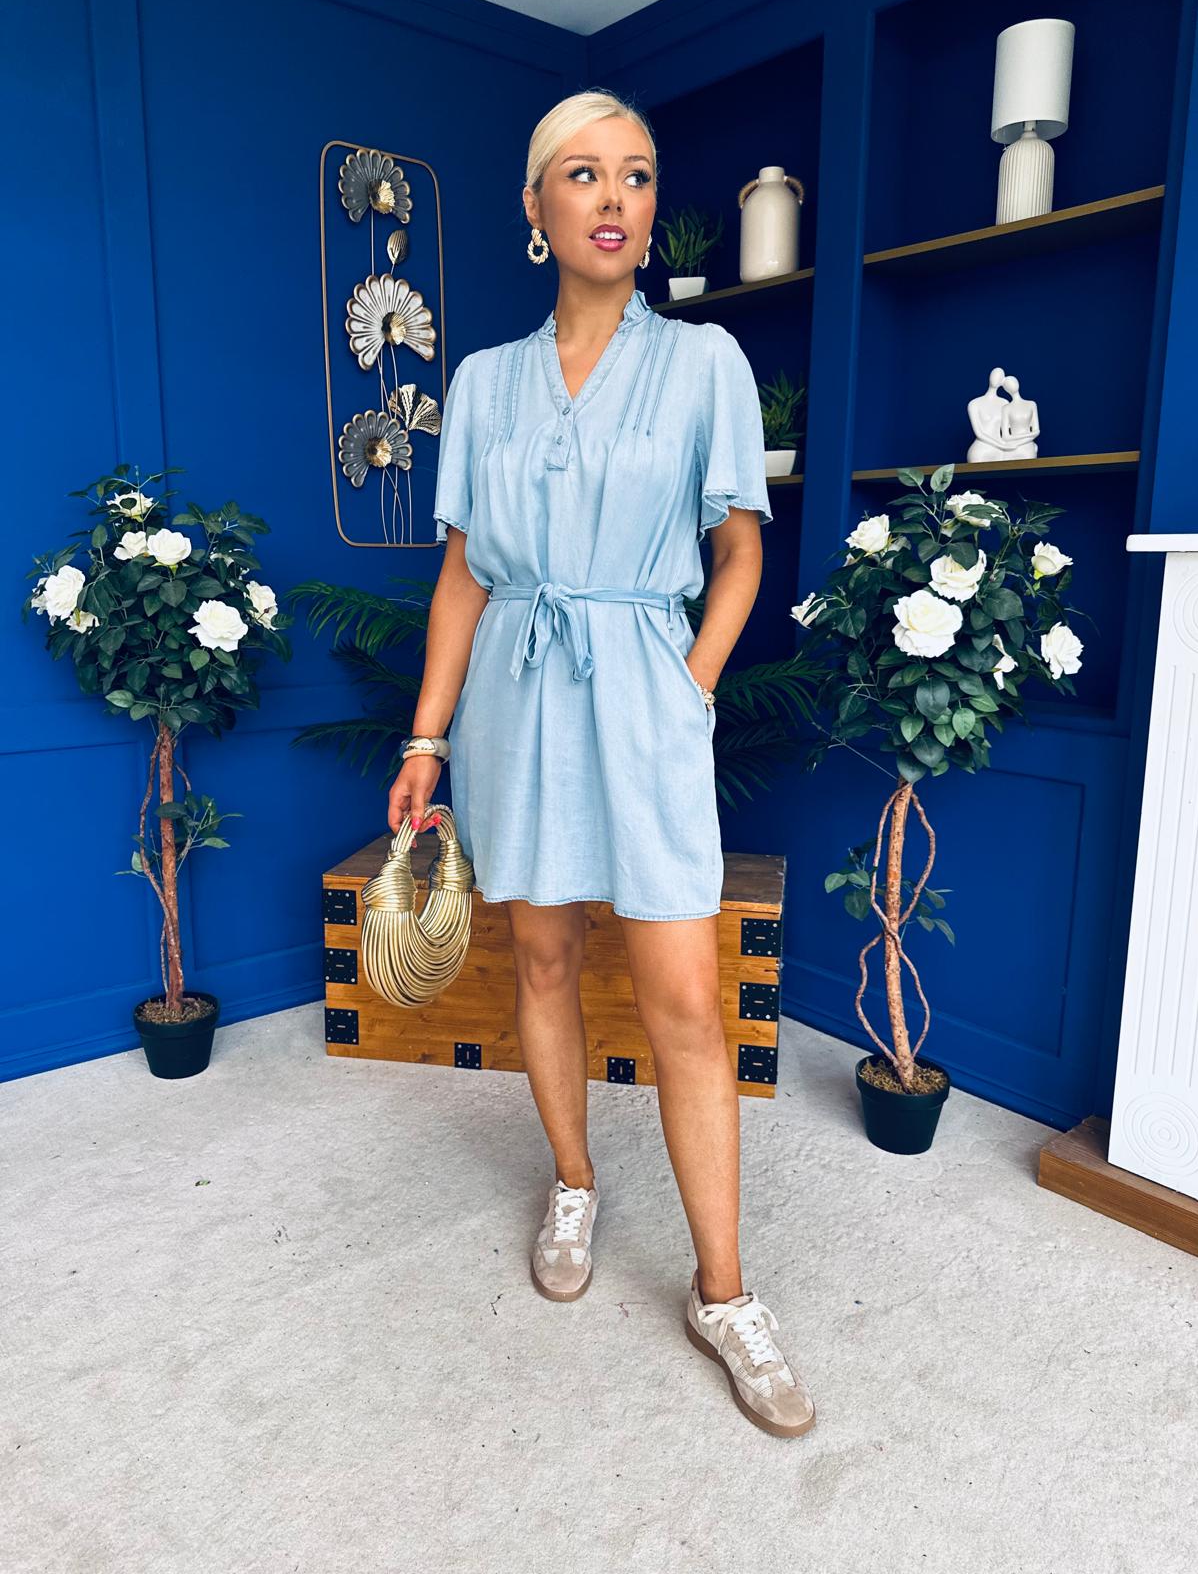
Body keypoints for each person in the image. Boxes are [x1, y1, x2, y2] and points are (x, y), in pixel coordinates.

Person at [386, 89, 815, 1440]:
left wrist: (690, 684)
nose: (615, 198)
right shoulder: (482, 382)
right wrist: (426, 736)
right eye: (583, 174)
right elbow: (464, 576)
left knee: (686, 993)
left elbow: (738, 547)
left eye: (635, 174)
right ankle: (573, 1180)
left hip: (642, 685)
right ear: (536, 207)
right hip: (515, 694)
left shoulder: (704, 364)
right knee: (544, 956)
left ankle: (725, 1293)